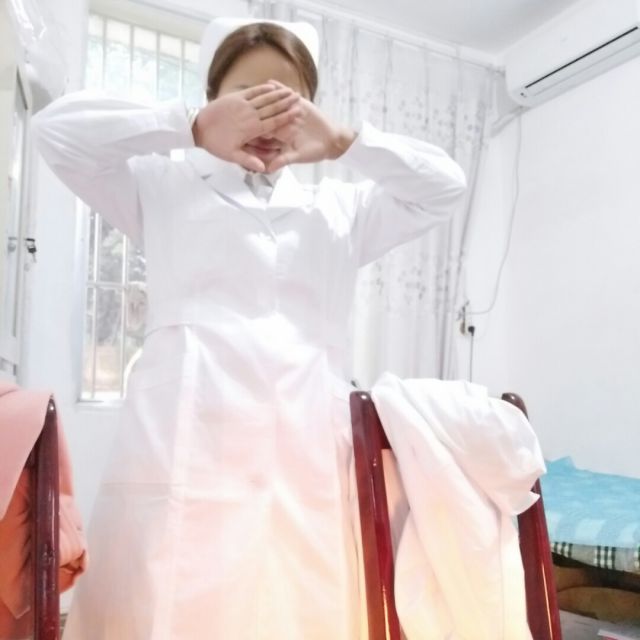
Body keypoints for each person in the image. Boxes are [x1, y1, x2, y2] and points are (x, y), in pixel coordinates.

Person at [32, 17, 467, 640]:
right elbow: (56, 132)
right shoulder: (163, 184)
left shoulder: (339, 208)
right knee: (169, 605)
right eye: (246, 97)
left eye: (285, 101)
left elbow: (444, 188)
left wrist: (345, 143)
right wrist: (188, 126)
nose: (265, 117)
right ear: (213, 99)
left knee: (298, 606)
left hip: (306, 449)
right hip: (185, 443)